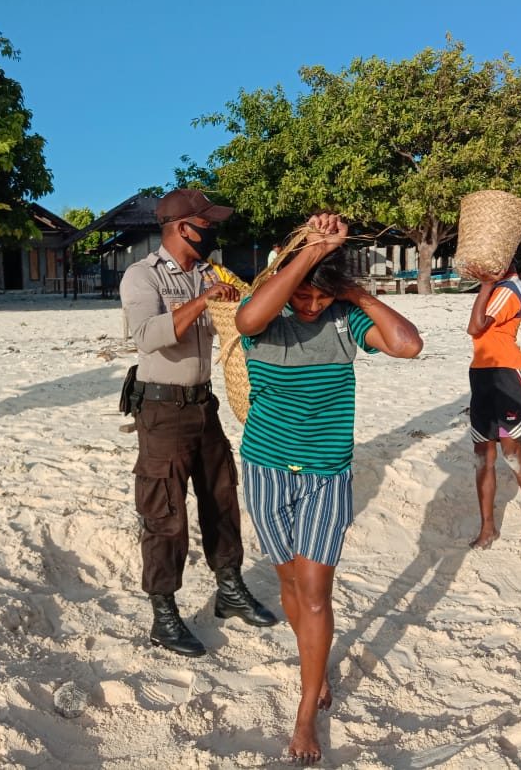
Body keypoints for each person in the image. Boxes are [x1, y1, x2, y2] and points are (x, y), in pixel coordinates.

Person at [235, 214, 423, 765]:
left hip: (326, 472)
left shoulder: (345, 320)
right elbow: (248, 317)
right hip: (266, 467)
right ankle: (312, 665)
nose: (312, 305)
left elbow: (408, 345)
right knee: (290, 582)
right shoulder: (266, 318)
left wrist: (354, 292)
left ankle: (306, 710)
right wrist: (309, 255)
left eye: (322, 296)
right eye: (305, 294)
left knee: (315, 591)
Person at [118, 188, 278, 658]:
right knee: (165, 511)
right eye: (207, 224)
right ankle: (164, 613)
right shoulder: (142, 275)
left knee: (220, 496)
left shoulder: (211, 272)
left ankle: (229, 589)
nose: (213, 232)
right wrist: (204, 301)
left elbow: (243, 319)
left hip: (204, 405)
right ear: (183, 228)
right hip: (162, 409)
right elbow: (147, 337)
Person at [464, 261, 521, 549]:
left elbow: (474, 327)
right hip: (482, 376)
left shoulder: (508, 289)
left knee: (512, 454)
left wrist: (486, 284)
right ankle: (487, 527)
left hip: (508, 378)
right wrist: (487, 285)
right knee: (482, 456)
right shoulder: (497, 288)